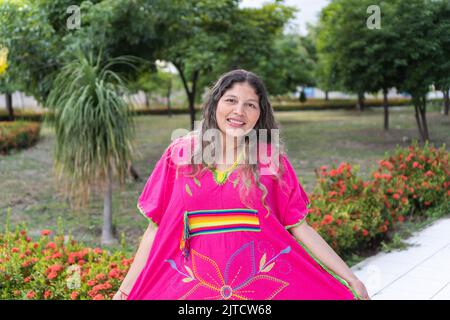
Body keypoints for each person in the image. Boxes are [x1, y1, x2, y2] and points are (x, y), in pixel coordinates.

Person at [113, 69, 370, 300]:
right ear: (215, 104)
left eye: (250, 105)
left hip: (258, 290)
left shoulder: (270, 161)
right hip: (189, 289)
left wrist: (351, 278)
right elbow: (154, 230)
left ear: (260, 114)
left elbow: (300, 228)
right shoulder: (180, 154)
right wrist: (124, 291)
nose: (239, 112)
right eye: (231, 101)